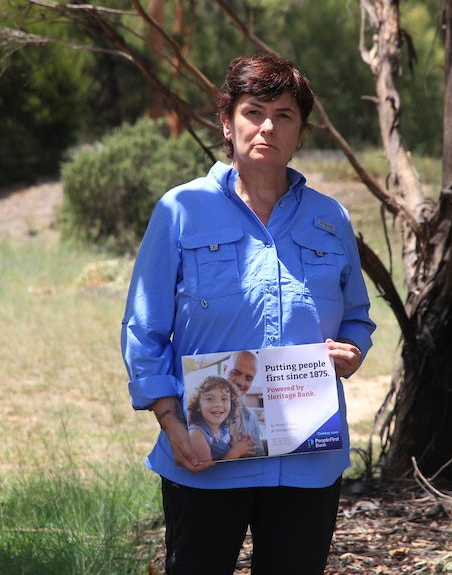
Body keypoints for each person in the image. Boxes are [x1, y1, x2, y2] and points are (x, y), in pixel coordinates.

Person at [121, 53, 376, 575]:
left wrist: (352, 352)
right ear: (226, 123)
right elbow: (143, 331)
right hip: (206, 457)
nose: (267, 127)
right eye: (253, 111)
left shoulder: (331, 218)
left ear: (300, 131)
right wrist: (172, 425)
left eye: (284, 115)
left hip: (308, 460)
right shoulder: (180, 210)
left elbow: (357, 317)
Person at [186, 375, 256, 461]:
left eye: (224, 399)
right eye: (210, 399)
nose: (218, 404)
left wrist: (241, 445)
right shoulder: (196, 434)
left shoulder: (223, 429)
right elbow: (208, 470)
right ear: (198, 405)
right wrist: (236, 452)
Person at [221, 350, 266, 457]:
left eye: (248, 378)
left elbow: (259, 456)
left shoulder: (252, 417)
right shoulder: (202, 408)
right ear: (224, 369)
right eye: (236, 372)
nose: (241, 382)